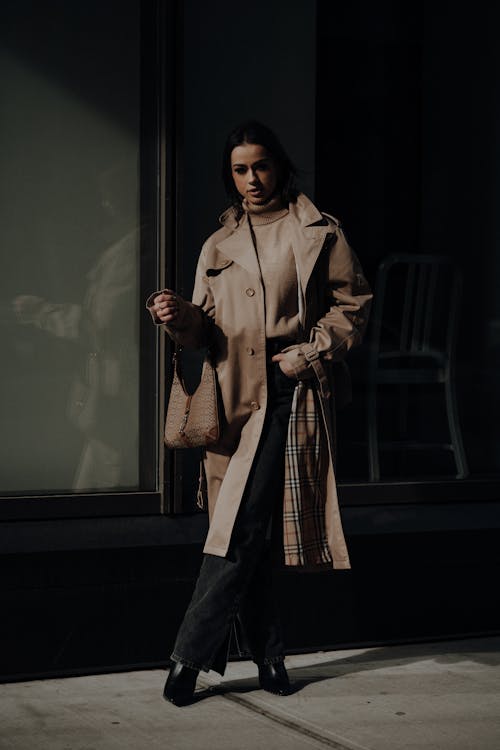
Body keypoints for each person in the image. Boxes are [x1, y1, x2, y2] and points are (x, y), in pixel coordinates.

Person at [147, 121, 372, 706]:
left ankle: (188, 660)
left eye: (261, 166)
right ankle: (271, 657)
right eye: (240, 169)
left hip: (288, 394)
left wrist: (310, 351)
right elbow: (203, 331)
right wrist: (178, 318)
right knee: (252, 533)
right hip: (230, 400)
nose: (252, 179)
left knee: (237, 528)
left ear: (280, 167)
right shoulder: (217, 244)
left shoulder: (320, 232)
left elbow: (353, 306)